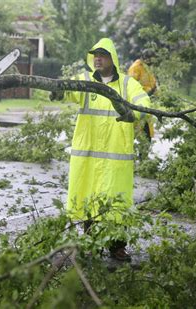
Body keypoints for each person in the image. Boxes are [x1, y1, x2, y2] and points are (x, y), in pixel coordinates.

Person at [57, 38, 152, 261]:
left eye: (103, 54)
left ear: (112, 58)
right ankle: (91, 243)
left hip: (115, 157)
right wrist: (57, 90)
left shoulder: (128, 85)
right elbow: (67, 89)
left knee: (117, 202)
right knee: (88, 199)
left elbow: (143, 103)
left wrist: (133, 114)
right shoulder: (85, 81)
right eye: (95, 54)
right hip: (88, 155)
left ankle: (117, 247)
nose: (97, 58)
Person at [128, 49, 156, 141]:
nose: (152, 62)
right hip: (137, 105)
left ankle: (142, 155)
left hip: (147, 104)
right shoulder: (136, 67)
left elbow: (151, 84)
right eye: (151, 60)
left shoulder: (147, 68)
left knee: (147, 135)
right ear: (145, 58)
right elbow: (130, 86)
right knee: (134, 133)